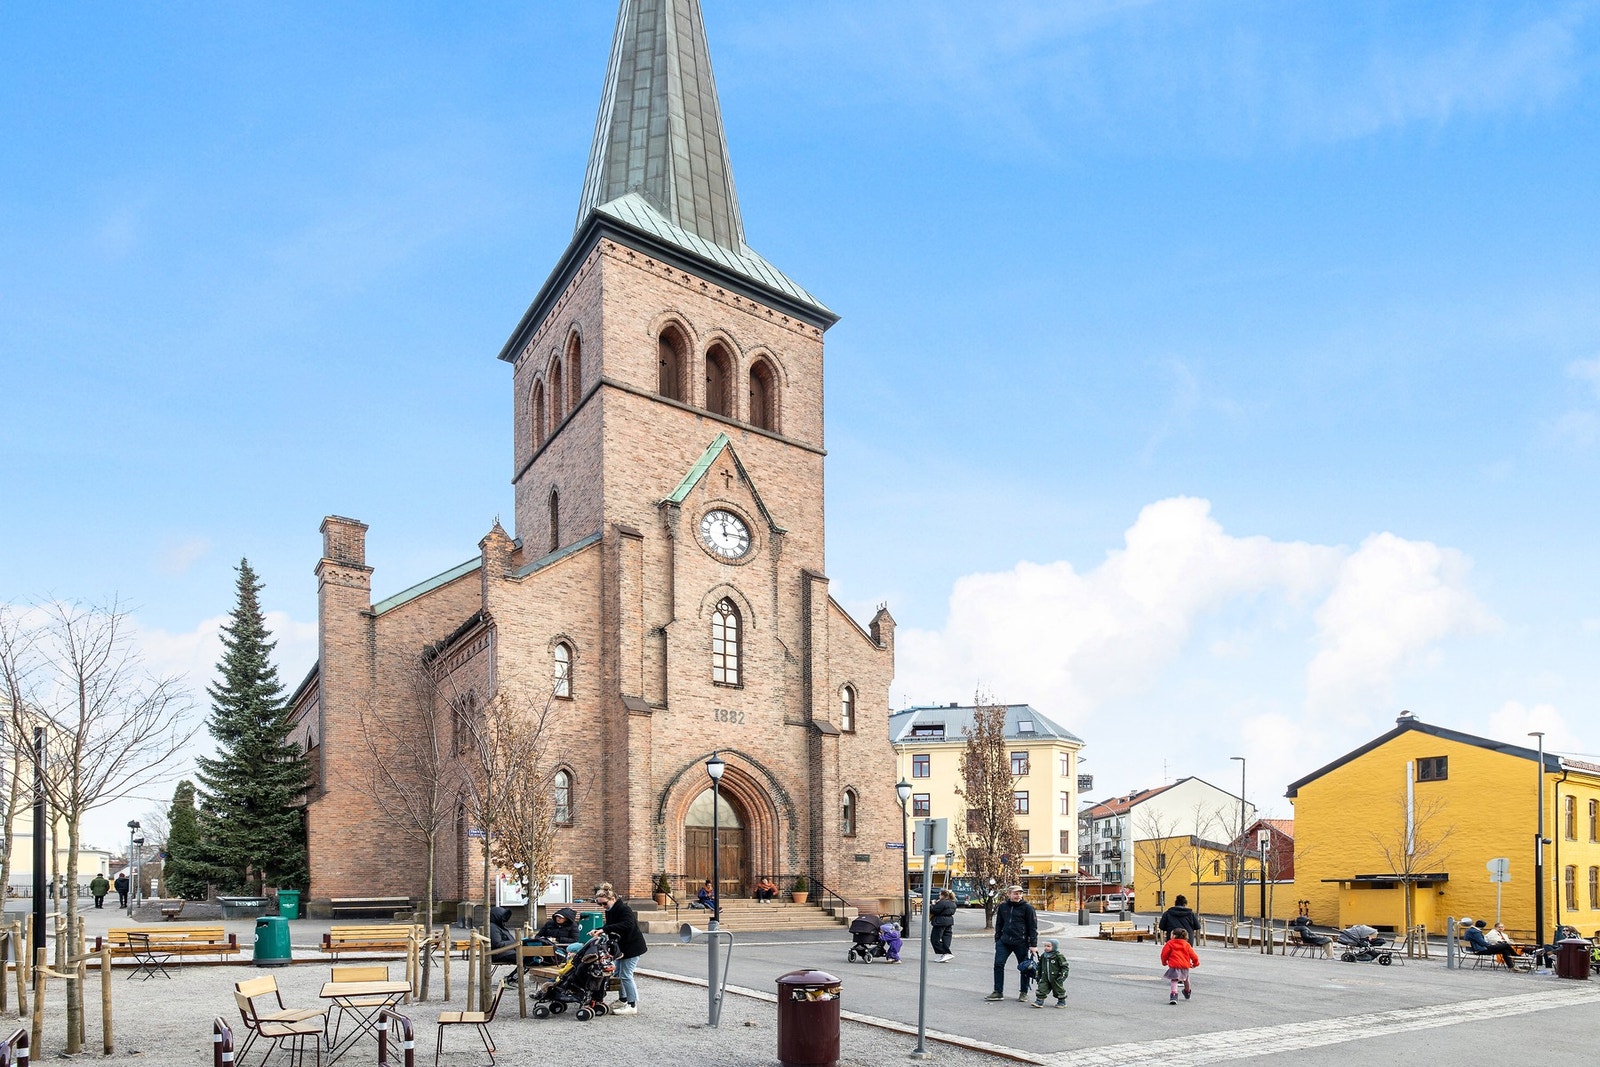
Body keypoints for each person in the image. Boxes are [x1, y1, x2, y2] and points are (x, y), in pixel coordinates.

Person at [595, 883, 646, 1016]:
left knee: (626, 975)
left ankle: (632, 1004)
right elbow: (611, 925)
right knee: (618, 974)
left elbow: (627, 924)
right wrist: (600, 929)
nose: (602, 907)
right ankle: (623, 999)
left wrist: (605, 929)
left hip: (632, 947)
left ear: (612, 899)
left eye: (604, 903)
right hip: (622, 947)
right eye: (599, 904)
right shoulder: (611, 910)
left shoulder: (624, 909)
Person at [984, 885, 1037, 1003]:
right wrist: (998, 939)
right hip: (1004, 941)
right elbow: (999, 923)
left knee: (1024, 968)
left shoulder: (1027, 908)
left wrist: (1033, 944)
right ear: (1009, 894)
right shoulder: (1003, 906)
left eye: (1020, 893)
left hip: (1021, 942)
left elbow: (1032, 927)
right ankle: (998, 991)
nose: (1018, 895)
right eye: (1015, 893)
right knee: (998, 964)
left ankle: (1023, 992)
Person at [1160, 928, 1199, 1005]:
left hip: (1174, 965)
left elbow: (1164, 954)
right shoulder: (1186, 944)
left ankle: (1174, 995)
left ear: (1174, 936)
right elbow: (1193, 955)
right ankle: (1187, 992)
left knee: (1174, 980)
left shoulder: (1170, 943)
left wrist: (1164, 962)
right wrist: (1195, 963)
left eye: (1171, 934)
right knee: (1186, 979)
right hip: (1185, 965)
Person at [1031, 939, 1069, 1008]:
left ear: (1054, 947)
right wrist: (1038, 974)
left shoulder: (1058, 956)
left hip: (1055, 978)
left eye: (1048, 946)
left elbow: (1064, 967)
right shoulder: (1043, 956)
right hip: (1045, 976)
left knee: (1058, 990)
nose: (1046, 948)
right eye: (1045, 946)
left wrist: (1063, 975)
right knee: (1042, 988)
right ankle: (1039, 1001)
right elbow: (1039, 965)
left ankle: (1061, 1001)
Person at [930, 889, 957, 961]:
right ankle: (945, 955)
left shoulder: (942, 902)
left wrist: (932, 904)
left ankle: (947, 953)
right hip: (949, 921)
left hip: (940, 922)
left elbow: (934, 910)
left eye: (939, 895)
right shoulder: (953, 903)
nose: (938, 896)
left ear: (943, 895)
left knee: (935, 939)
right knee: (946, 938)